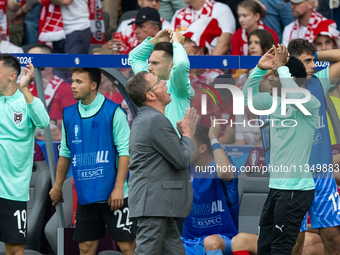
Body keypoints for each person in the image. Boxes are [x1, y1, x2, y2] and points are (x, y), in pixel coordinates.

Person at [49, 68, 136, 255]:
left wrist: (119, 188)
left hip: (114, 194)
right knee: (86, 248)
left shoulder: (114, 112)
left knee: (128, 246)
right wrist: (57, 186)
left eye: (79, 81)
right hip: (86, 194)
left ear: (94, 85)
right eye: (72, 81)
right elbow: (65, 153)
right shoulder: (69, 114)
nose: (73, 85)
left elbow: (125, 152)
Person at [243, 45, 320, 254]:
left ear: (291, 78)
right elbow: (247, 98)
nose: (271, 79)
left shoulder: (308, 102)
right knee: (264, 246)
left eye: (274, 75)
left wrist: (282, 67)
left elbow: (293, 93)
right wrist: (259, 69)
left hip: (296, 188)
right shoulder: (274, 101)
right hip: (278, 186)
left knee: (280, 248)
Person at [126, 70, 197, 255]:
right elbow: (182, 160)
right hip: (154, 206)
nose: (165, 82)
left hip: (160, 206)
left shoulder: (149, 119)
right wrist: (187, 134)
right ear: (150, 95)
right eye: (158, 81)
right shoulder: (155, 120)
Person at [286, 38, 340, 255]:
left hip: (322, 174)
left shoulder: (319, 81)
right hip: (293, 176)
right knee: (294, 243)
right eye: (307, 61)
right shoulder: (278, 88)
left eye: (313, 61)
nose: (313, 66)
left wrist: (315, 55)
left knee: (334, 239)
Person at [182, 123, 258, 255]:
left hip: (222, 239)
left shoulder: (222, 167)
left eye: (189, 145)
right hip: (189, 241)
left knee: (211, 242)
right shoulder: (185, 169)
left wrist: (213, 138)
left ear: (202, 148)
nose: (183, 149)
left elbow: (225, 172)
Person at [0, 55, 50, 255]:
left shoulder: (27, 102)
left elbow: (44, 123)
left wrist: (25, 89)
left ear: (12, 75)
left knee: (14, 250)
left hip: (12, 192)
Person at [129, 29, 193, 131]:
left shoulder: (177, 87)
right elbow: (134, 58)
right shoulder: (150, 79)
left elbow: (181, 64)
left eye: (155, 63)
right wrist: (155, 40)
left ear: (171, 65)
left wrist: (177, 43)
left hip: (177, 146)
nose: (149, 67)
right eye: (149, 63)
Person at [27, 43, 77, 141]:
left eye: (34, 60)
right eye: (28, 59)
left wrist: (55, 123)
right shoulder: (25, 88)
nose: (29, 64)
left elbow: (73, 123)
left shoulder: (65, 89)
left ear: (49, 66)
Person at [103, 0, 170, 54]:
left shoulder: (167, 28)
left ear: (156, 29)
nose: (154, 3)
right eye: (150, 0)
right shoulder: (125, 25)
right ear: (139, 1)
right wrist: (106, 48)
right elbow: (116, 53)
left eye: (158, 1)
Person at [171, 0, 236, 55]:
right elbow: (171, 42)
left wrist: (206, 65)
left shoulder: (221, 9)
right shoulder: (178, 14)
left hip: (212, 64)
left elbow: (224, 44)